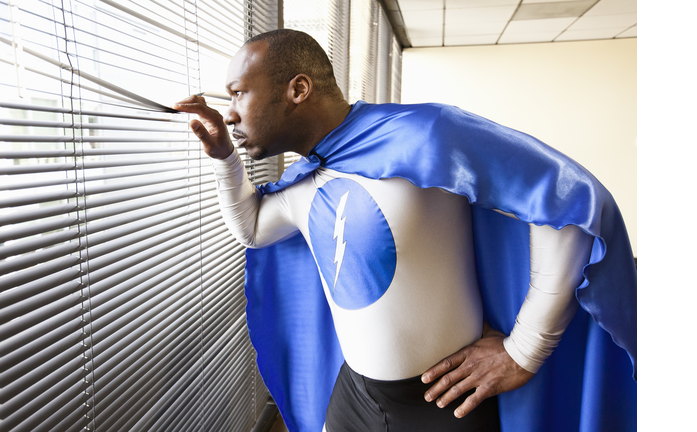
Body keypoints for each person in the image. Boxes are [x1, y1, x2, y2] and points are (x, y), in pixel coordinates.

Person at [173, 29, 636, 432]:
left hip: (444, 404)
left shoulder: (425, 135)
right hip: (353, 399)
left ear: (298, 88)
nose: (229, 114)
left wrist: (525, 349)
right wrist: (224, 160)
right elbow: (251, 228)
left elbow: (565, 199)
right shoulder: (308, 180)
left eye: (237, 94)